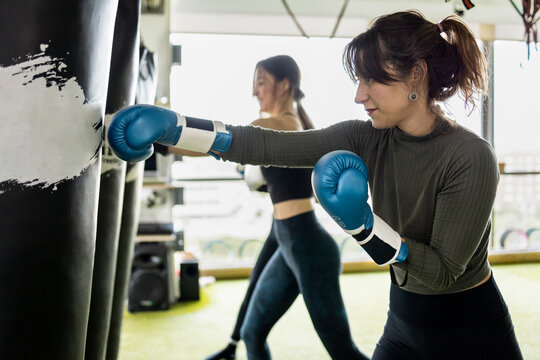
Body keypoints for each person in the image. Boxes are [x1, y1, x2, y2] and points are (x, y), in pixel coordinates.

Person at [107, 10, 524, 360]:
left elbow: (444, 273)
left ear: (416, 74)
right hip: (403, 322)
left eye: (372, 79)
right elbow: (266, 143)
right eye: (357, 80)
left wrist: (364, 227)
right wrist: (175, 128)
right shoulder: (366, 135)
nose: (360, 95)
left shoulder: (470, 156)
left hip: (470, 331)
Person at [204, 55, 367, 359]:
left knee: (344, 352)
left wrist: (164, 135)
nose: (255, 92)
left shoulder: (277, 126)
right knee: (252, 333)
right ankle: (231, 345)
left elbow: (215, 140)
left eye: (261, 83)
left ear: (285, 84)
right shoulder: (293, 125)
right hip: (289, 241)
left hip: (310, 249)